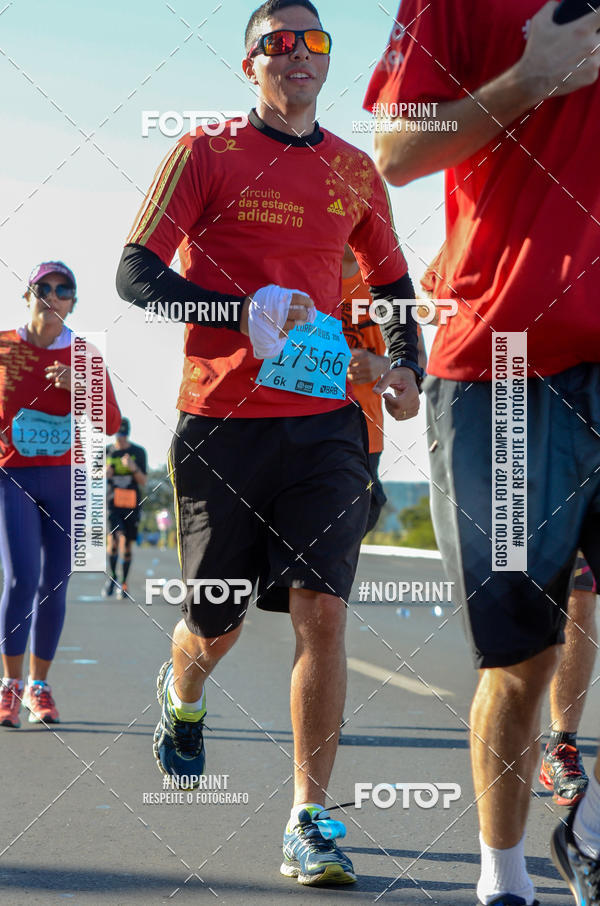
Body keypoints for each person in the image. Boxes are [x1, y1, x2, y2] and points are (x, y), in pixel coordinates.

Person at [116, 0, 421, 886]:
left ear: (327, 60)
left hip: (326, 423)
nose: (298, 55)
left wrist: (406, 367)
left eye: (313, 42)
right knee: (217, 622)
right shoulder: (205, 152)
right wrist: (230, 314)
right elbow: (134, 271)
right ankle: (182, 692)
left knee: (323, 613)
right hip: (221, 423)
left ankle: (310, 820)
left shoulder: (356, 170)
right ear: (250, 61)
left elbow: (397, 285)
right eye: (277, 43)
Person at [366, 3, 600, 904]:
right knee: (520, 662)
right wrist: (531, 76)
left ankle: (586, 831)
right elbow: (397, 149)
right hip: (505, 364)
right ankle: (505, 880)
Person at [0, 262, 121, 728]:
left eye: (63, 290)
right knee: (20, 580)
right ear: (26, 295)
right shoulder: (7, 347)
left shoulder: (85, 354)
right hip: (15, 478)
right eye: (43, 288)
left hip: (71, 480)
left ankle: (39, 686)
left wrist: (82, 388)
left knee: (55, 584)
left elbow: (110, 424)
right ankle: (9, 686)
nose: (52, 296)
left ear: (72, 301)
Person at [340, 244, 427, 535]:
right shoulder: (302, 271)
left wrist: (383, 366)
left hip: (364, 438)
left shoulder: (388, 280)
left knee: (335, 554)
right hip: (295, 429)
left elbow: (421, 360)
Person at [539, 553, 597, 807]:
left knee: (577, 597)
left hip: (583, 513)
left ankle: (561, 746)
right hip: (514, 516)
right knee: (514, 604)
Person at [103, 417, 147, 600]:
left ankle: (124, 583)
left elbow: (144, 481)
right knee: (113, 542)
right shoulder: (107, 451)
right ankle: (112, 577)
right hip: (113, 504)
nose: (120, 438)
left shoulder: (138, 452)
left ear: (127, 434)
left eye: (123, 434)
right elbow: (95, 475)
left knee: (127, 546)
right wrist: (104, 473)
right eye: (117, 434)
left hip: (131, 504)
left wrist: (133, 467)